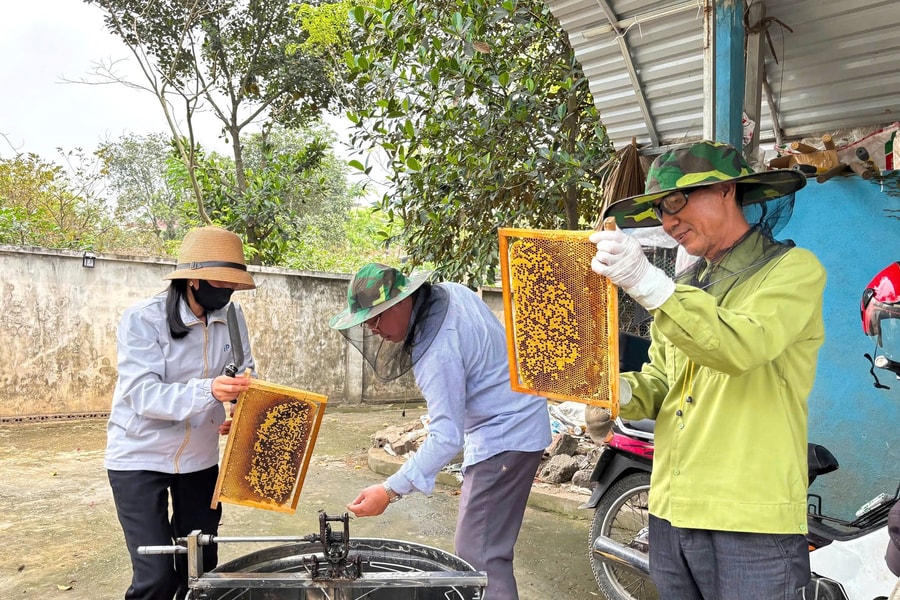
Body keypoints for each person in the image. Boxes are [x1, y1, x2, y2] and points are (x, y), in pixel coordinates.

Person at [589, 140, 826, 598]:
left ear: (727, 191)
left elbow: (738, 345)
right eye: (660, 209)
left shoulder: (793, 271)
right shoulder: (684, 287)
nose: (668, 220)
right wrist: (606, 389)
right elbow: (662, 381)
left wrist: (648, 285)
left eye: (677, 200)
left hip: (750, 519)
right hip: (671, 511)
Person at [329, 263, 551, 600]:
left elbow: (447, 436)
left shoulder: (436, 350)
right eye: (366, 321)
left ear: (403, 301)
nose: (372, 328)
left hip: (504, 437)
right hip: (519, 420)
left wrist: (389, 490)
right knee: (484, 547)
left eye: (376, 317)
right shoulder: (453, 292)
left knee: (480, 557)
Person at [105, 226, 257, 600]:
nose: (229, 290)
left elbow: (245, 372)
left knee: (201, 567)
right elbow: (143, 395)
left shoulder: (232, 321)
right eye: (221, 282)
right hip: (139, 458)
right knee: (156, 576)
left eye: (234, 283)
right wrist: (209, 389)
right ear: (192, 279)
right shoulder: (142, 320)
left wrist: (239, 407)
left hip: (200, 461)